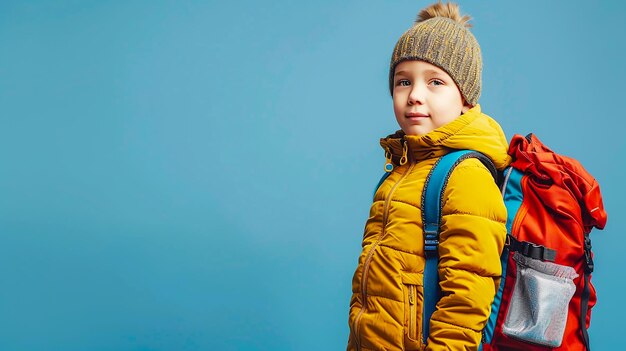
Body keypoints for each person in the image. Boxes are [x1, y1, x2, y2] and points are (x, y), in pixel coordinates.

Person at [346, 2, 511, 350]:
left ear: (465, 98)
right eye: (403, 82)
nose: (415, 96)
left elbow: (468, 297)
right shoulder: (401, 168)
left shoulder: (466, 175)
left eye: (435, 82)